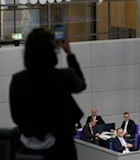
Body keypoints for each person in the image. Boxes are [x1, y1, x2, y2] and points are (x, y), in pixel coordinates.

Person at [9, 28, 87, 160]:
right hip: (62, 150)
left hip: (27, 150)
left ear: (27, 53)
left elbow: (16, 117)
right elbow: (81, 85)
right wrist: (69, 53)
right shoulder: (64, 77)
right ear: (52, 52)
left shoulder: (18, 80)